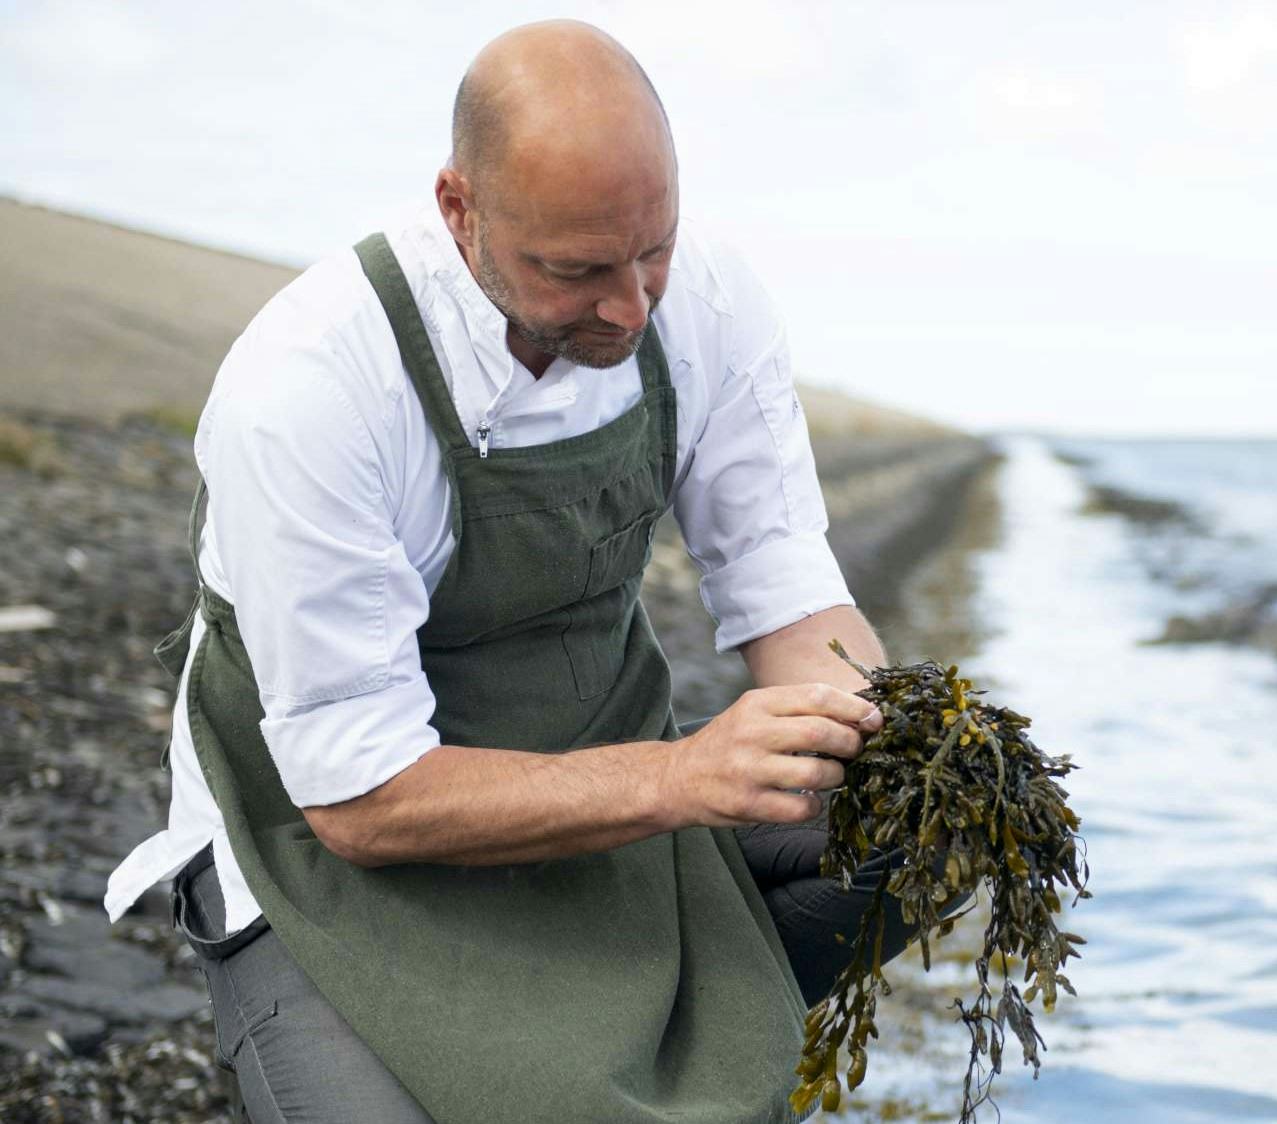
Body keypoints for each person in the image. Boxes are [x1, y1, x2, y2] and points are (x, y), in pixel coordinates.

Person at [102, 19, 967, 1123]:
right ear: (459, 209)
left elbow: (778, 569)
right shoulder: (309, 389)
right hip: (333, 857)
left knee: (932, 822)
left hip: (605, 797)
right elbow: (362, 802)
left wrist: (870, 727)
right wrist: (681, 777)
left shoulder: (696, 295)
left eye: (651, 248)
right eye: (575, 270)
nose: (631, 306)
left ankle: (687, 1045)